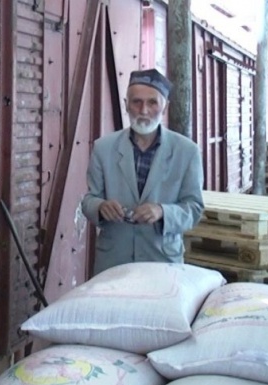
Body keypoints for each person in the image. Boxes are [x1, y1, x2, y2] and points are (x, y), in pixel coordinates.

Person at [81, 68, 204, 276]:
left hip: (162, 262)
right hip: (113, 262)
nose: (144, 110)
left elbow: (194, 208)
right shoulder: (103, 148)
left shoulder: (187, 151)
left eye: (152, 103)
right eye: (136, 102)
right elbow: (88, 200)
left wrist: (162, 211)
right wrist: (101, 206)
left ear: (164, 107)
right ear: (126, 105)